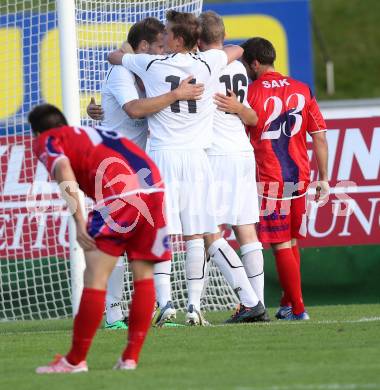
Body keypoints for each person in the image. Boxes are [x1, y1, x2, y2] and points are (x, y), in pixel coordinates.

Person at [108, 10, 266, 325]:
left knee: (164, 232)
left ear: (178, 38)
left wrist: (127, 53)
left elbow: (115, 57)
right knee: (198, 234)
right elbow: (235, 50)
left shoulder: (151, 64)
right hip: (198, 157)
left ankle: (167, 304)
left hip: (165, 155)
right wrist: (212, 52)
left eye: (167, 32)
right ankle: (199, 305)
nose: (163, 37)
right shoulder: (209, 63)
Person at [31, 104, 171, 373]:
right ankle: (129, 358)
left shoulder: (47, 139)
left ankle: (75, 361)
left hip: (119, 196)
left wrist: (79, 220)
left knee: (95, 277)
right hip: (155, 189)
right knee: (143, 276)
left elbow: (63, 170)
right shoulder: (95, 132)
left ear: (37, 131)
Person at [87, 18, 203, 329]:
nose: (165, 53)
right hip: (112, 167)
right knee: (115, 240)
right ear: (143, 48)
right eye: (160, 47)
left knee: (141, 239)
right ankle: (112, 314)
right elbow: (135, 110)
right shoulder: (123, 72)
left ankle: (154, 306)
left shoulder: (146, 70)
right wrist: (178, 95)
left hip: (134, 167)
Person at [216, 37, 329, 320]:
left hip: (270, 177)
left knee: (280, 244)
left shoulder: (251, 93)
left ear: (253, 63)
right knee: (291, 241)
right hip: (300, 175)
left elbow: (245, 126)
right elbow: (320, 137)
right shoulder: (302, 89)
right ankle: (289, 302)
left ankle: (299, 310)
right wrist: (324, 177)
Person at [198, 11, 268, 322]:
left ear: (199, 41)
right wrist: (240, 107)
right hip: (241, 152)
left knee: (208, 231)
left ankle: (251, 301)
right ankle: (258, 304)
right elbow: (253, 118)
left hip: (217, 156)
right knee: (246, 230)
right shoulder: (238, 66)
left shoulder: (203, 67)